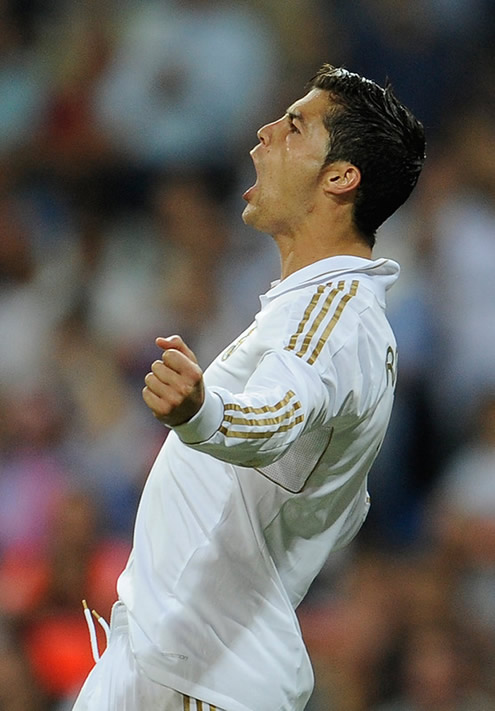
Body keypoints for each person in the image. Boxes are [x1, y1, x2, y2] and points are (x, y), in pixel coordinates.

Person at [72, 64, 425, 711]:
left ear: (340, 177)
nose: (262, 133)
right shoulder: (310, 311)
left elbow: (275, 415)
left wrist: (202, 411)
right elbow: (344, 506)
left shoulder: (335, 312)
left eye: (293, 126)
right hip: (168, 653)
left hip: (203, 674)